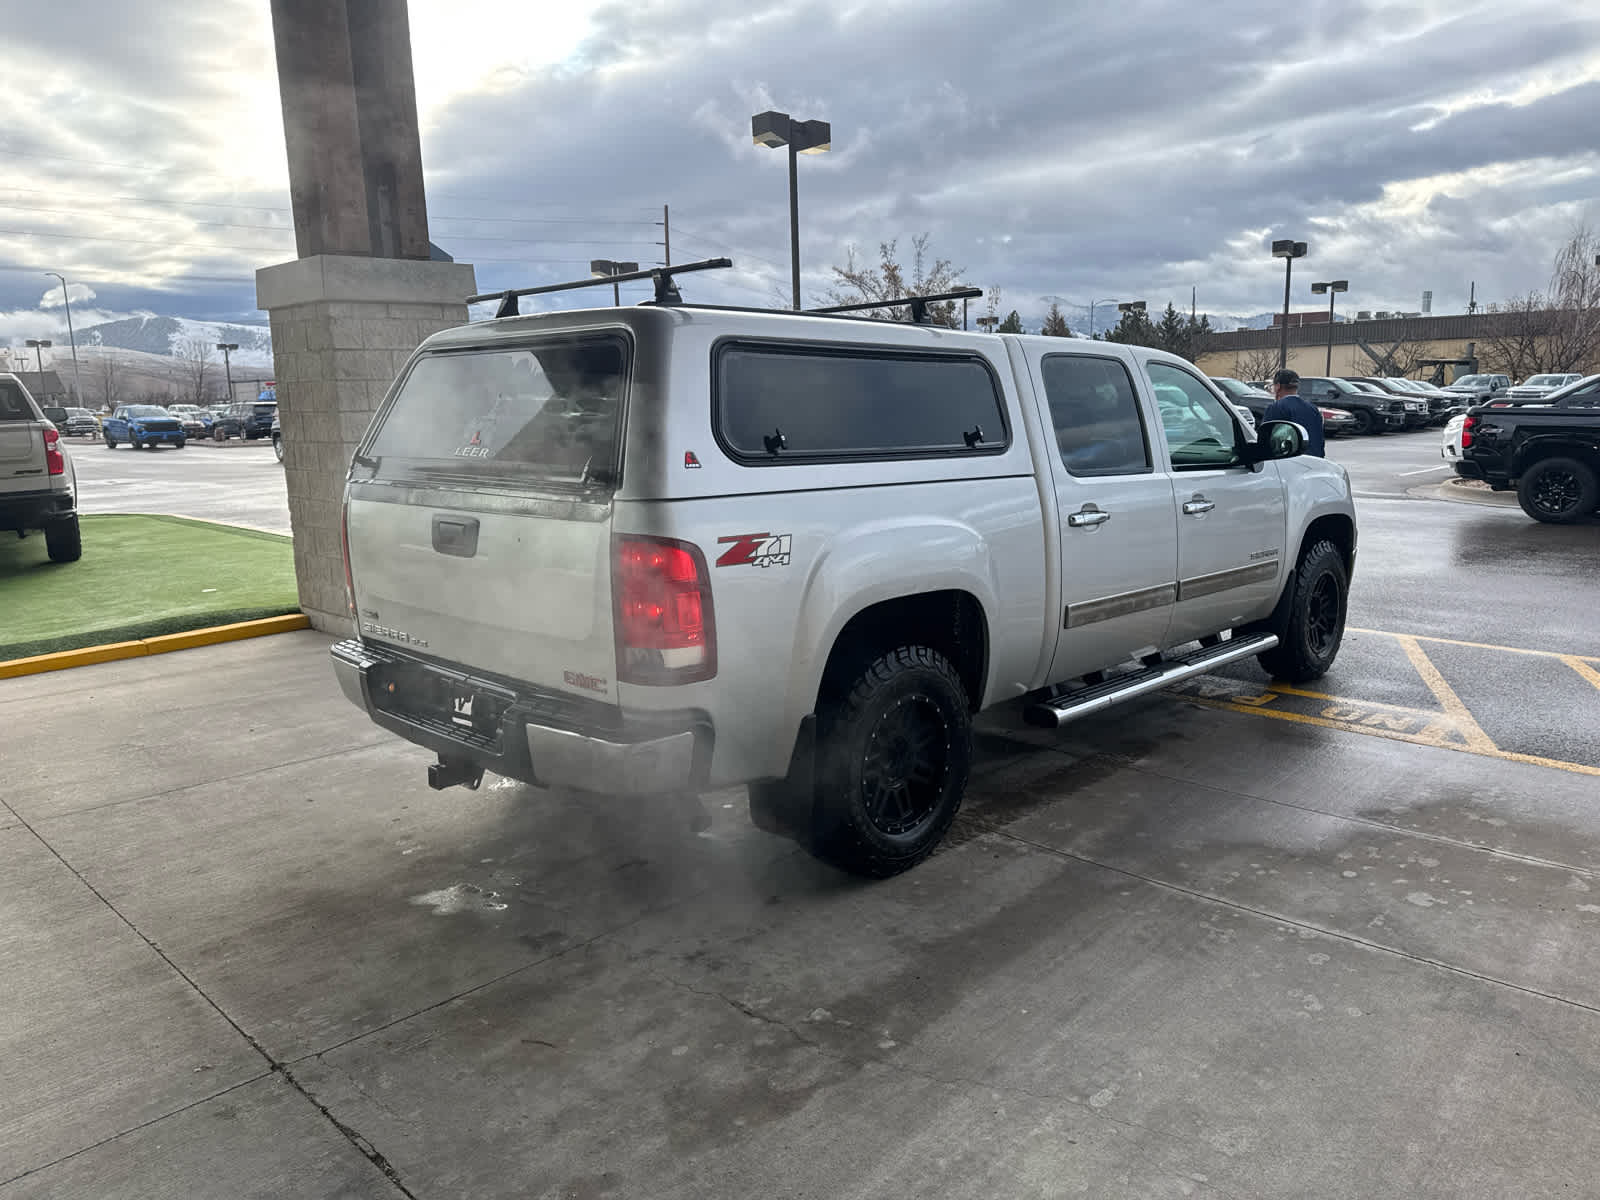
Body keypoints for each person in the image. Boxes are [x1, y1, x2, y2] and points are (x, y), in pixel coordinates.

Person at [1261, 368, 1324, 458]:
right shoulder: (1313, 409)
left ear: (1278, 386)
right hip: (1314, 460)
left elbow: (1265, 441)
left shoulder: (1276, 408)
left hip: (1290, 462)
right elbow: (1320, 440)